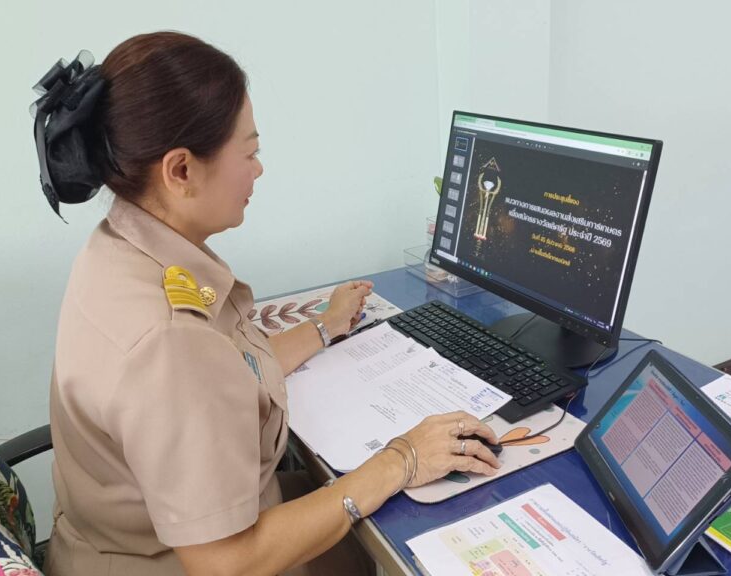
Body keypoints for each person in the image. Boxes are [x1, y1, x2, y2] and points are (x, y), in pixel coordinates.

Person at [33, 32, 502, 576]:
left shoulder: (118, 248)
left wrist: (324, 328)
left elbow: (227, 371)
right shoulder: (168, 342)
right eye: (250, 152)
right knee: (419, 532)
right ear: (181, 171)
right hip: (186, 561)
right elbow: (227, 561)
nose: (259, 169)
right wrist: (403, 458)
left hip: (142, 536)